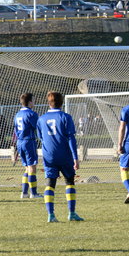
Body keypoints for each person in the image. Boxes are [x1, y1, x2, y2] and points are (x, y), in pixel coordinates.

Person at [37, 91, 84, 223]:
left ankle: (51, 215)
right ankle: (72, 213)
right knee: (69, 182)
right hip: (64, 155)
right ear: (62, 102)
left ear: (48, 103)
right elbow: (71, 138)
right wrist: (75, 158)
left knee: (50, 184)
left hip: (49, 156)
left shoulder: (41, 119)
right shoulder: (65, 117)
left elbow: (41, 137)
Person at [14, 93, 42, 199]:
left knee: (27, 168)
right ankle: (33, 193)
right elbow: (38, 127)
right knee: (32, 167)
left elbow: (15, 130)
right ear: (30, 102)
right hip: (29, 142)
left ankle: (24, 193)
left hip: (19, 142)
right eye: (33, 100)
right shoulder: (31, 114)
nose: (34, 102)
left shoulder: (17, 114)